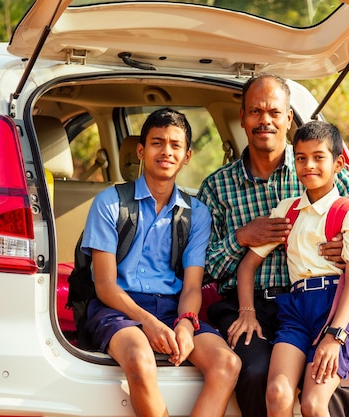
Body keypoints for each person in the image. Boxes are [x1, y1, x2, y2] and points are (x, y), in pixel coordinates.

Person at [197, 73, 349, 417]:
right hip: (251, 306)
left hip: (328, 301)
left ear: (288, 117)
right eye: (256, 112)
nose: (265, 120)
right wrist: (240, 239)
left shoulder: (317, 165)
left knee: (318, 383)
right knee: (260, 374)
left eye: (275, 112)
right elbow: (200, 266)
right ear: (243, 117)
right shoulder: (218, 187)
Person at [81, 108, 241, 417]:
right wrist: (148, 322)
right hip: (117, 308)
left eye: (175, 145)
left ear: (187, 156)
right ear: (141, 150)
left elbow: (193, 285)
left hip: (172, 308)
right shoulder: (109, 203)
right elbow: (105, 286)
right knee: (141, 359)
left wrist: (186, 321)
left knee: (227, 363)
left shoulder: (197, 213)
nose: (166, 151)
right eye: (157, 142)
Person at [234, 121, 349, 417]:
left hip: (337, 309)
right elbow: (247, 267)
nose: (308, 165)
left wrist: (335, 336)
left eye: (318, 157)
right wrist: (248, 312)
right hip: (296, 309)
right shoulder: (287, 210)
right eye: (300, 157)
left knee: (313, 403)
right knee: (278, 392)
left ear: (338, 164)